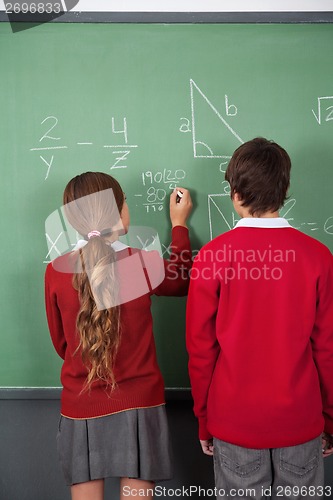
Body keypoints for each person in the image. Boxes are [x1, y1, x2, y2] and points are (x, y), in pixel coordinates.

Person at [186, 138, 333, 499]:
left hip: (234, 423)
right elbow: (327, 348)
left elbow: (200, 351)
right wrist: (328, 417)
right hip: (301, 421)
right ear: (283, 191)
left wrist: (204, 419)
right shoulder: (317, 256)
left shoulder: (211, 256)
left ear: (235, 193)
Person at [45, 171, 192, 500]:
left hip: (80, 404)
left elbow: (61, 344)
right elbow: (182, 279)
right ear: (120, 212)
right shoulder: (140, 265)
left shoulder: (56, 271)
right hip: (139, 403)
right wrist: (179, 224)